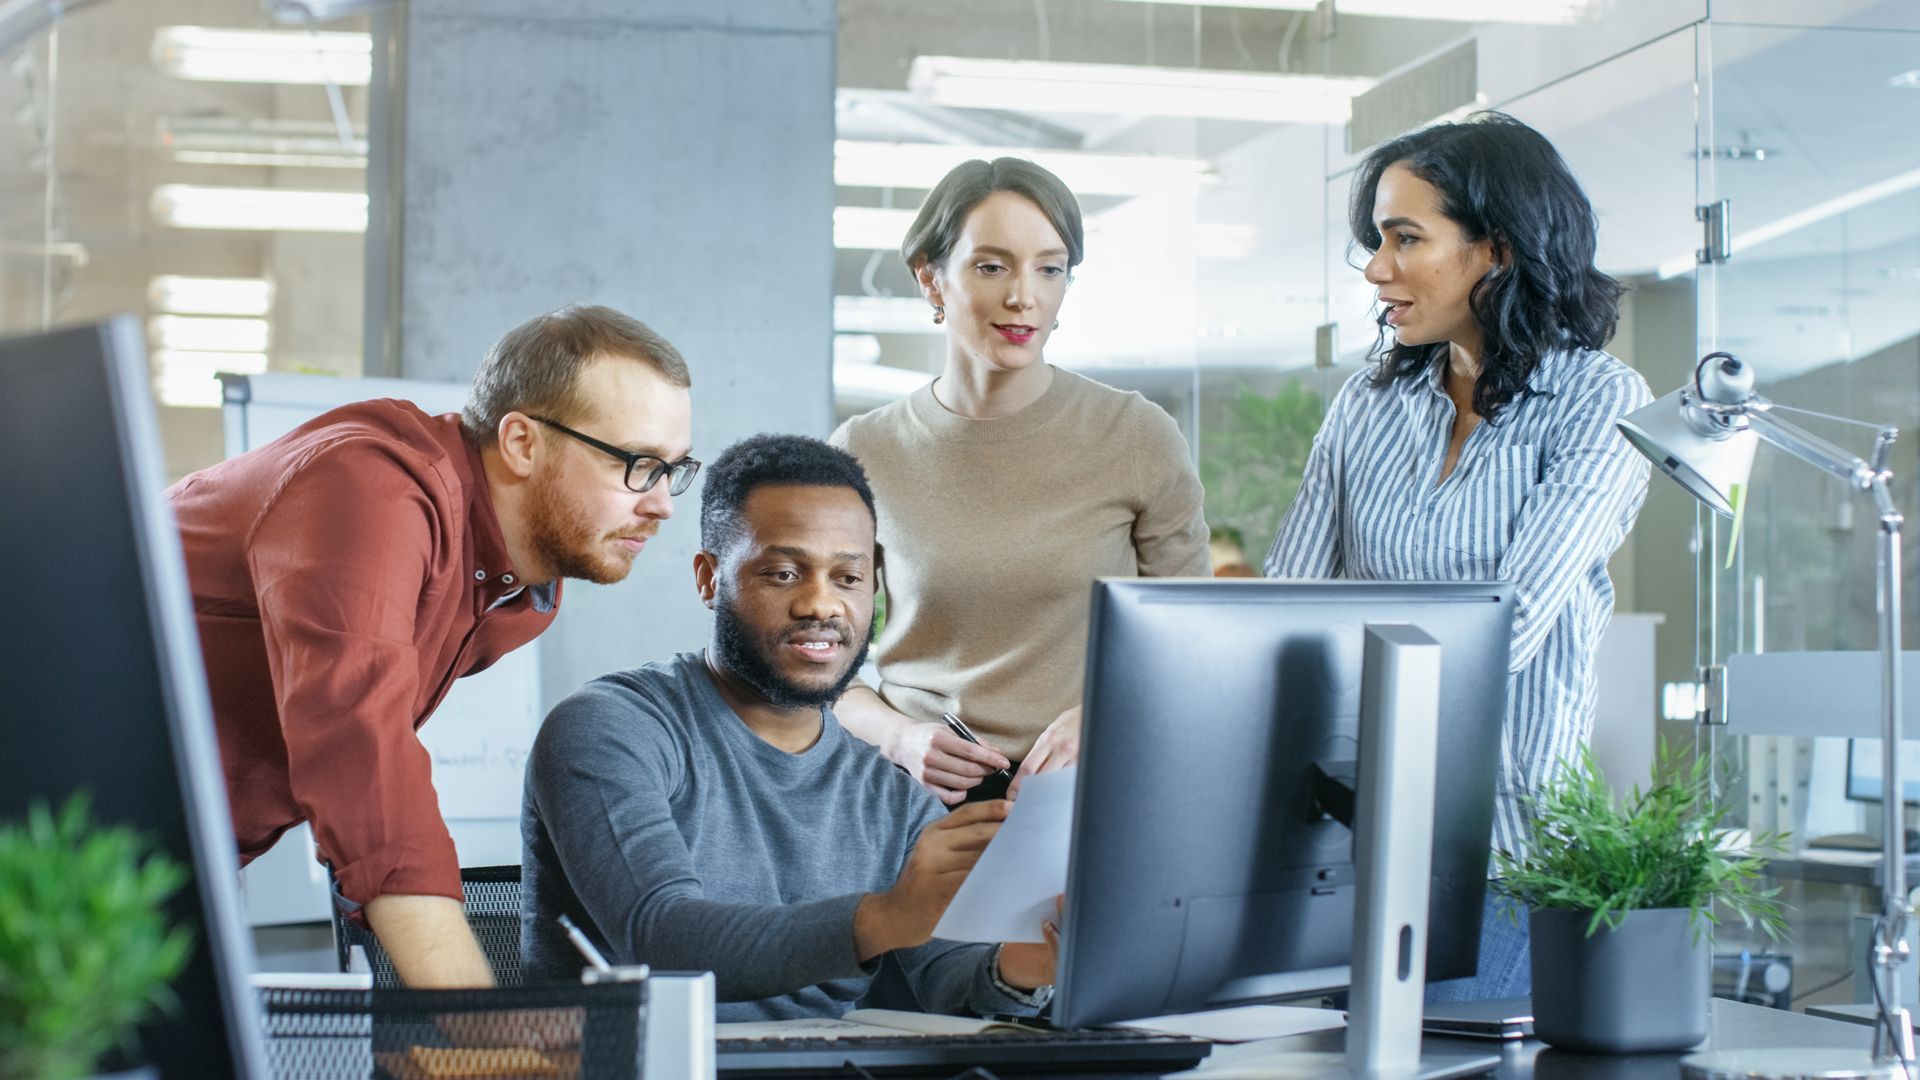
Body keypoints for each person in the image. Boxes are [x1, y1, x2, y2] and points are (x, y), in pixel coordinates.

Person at [170, 303, 696, 989]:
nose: (663, 504)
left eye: (674, 470)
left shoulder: (515, 596)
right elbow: (361, 752)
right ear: (521, 443)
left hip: (162, 861)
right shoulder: (371, 489)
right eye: (638, 464)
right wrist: (476, 1028)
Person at [1264, 113, 1653, 1002]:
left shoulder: (1598, 402)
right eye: (1376, 240)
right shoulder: (1367, 405)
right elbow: (1285, 610)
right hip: (1345, 842)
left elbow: (1497, 636)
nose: (1375, 269)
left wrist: (1337, 661)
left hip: (1506, 856)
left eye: (1406, 239)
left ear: (1498, 250)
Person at [520, 434, 1056, 1020]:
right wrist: (885, 916)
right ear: (708, 579)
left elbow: (947, 985)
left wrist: (1030, 957)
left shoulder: (894, 798)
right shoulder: (612, 730)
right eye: (782, 573)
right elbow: (661, 938)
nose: (820, 605)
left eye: (848, 578)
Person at [831, 157, 1210, 805]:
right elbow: (820, 667)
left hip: (1088, 796)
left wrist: (1102, 716)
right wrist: (899, 738)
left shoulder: (1137, 435)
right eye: (991, 265)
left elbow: (1194, 641)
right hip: (913, 803)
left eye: (1050, 268)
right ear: (931, 277)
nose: (1024, 296)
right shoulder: (862, 451)